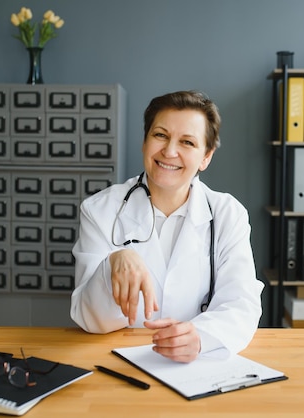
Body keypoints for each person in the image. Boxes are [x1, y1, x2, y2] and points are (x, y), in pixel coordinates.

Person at [70, 90, 264, 363]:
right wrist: (113, 262)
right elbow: (87, 316)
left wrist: (201, 338)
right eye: (160, 135)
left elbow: (241, 304)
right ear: (145, 141)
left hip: (197, 365)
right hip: (116, 364)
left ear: (206, 157)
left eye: (187, 142)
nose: (169, 151)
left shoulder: (227, 214)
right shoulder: (100, 210)